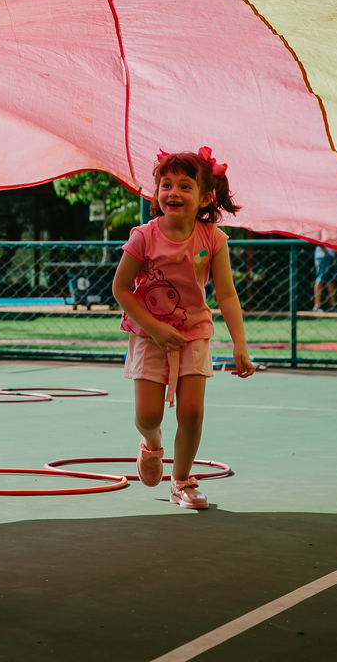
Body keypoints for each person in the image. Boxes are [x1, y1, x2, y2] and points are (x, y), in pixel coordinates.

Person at [112, 147, 255, 511]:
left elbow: (226, 294)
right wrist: (154, 328)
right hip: (149, 336)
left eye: (185, 186)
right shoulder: (143, 237)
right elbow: (120, 288)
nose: (173, 192)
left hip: (193, 334)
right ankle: (151, 444)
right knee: (149, 416)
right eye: (166, 185)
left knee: (191, 412)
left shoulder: (213, 239)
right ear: (157, 192)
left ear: (205, 197)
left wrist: (240, 344)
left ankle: (182, 480)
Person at [312, 245, 337, 312]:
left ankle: (333, 306)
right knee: (320, 280)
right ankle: (317, 306)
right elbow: (318, 240)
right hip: (322, 256)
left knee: (332, 281)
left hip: (332, 256)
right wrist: (325, 252)